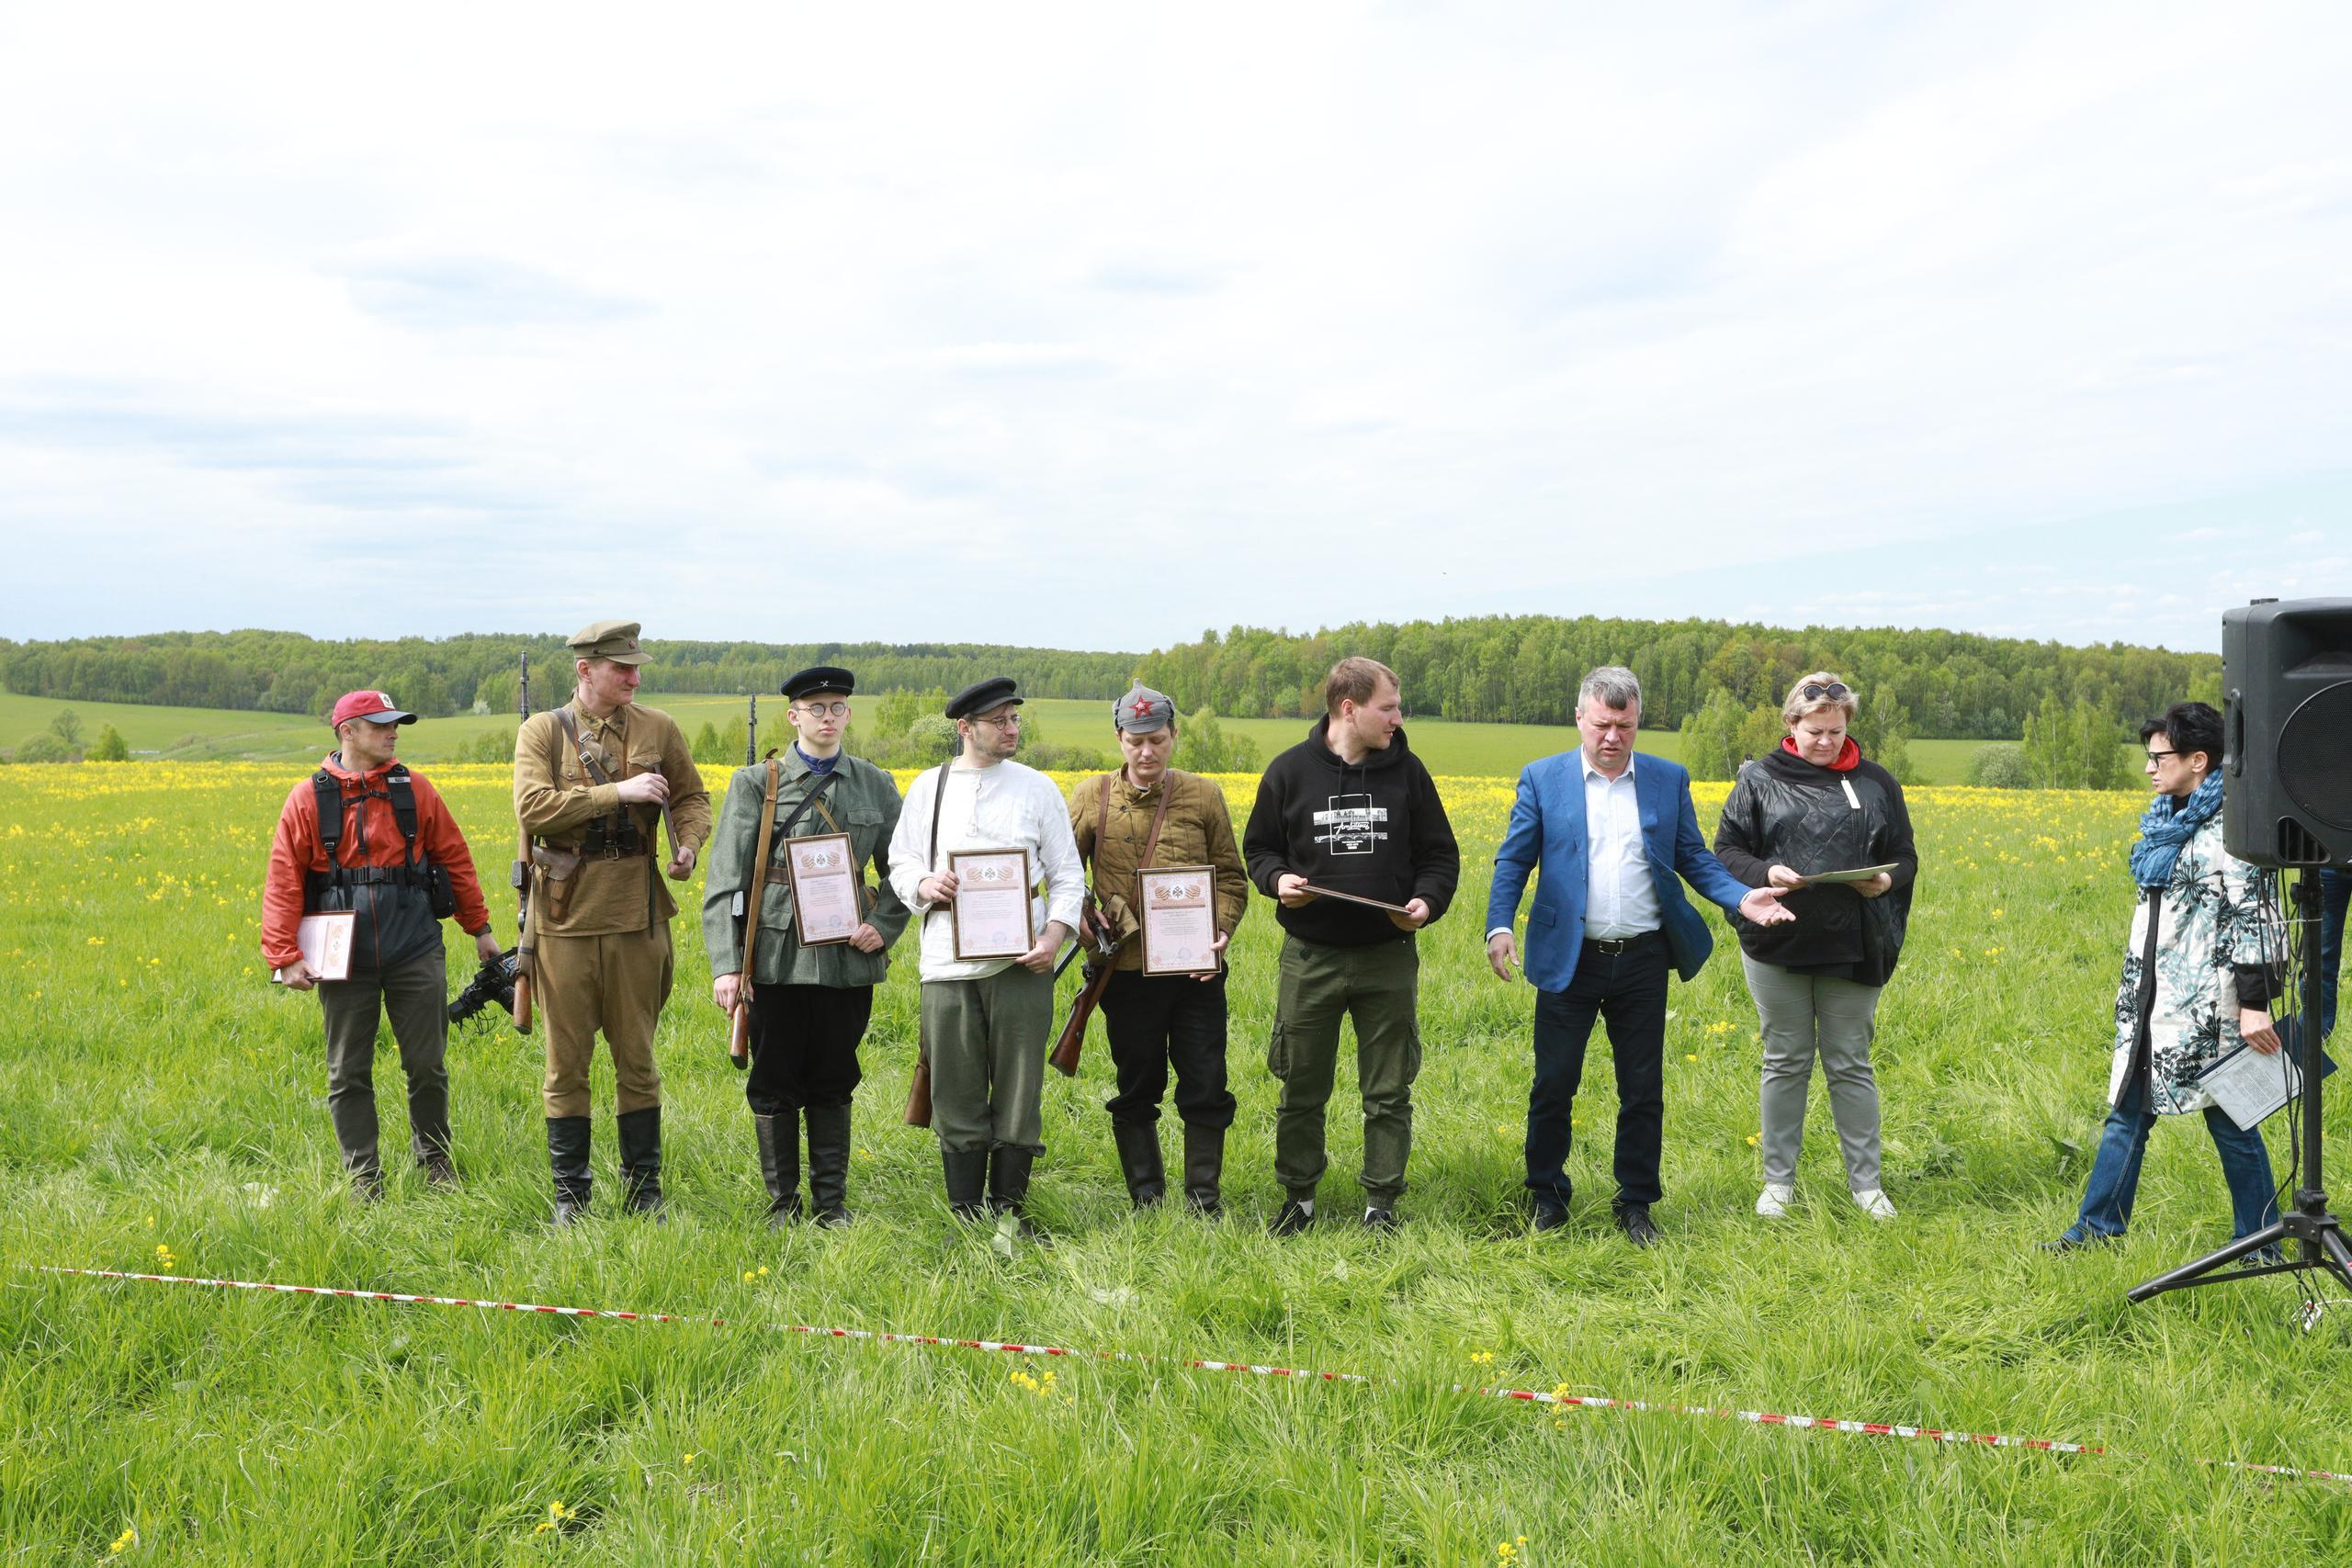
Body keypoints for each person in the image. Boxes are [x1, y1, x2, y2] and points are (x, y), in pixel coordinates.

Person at [1485, 666, 1793, 1247]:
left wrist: (1743, 896)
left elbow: (1695, 858)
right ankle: (1547, 1196)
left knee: (1643, 1087)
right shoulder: (1542, 778)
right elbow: (1513, 860)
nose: (1611, 737)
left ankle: (1636, 1204)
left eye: (1624, 726)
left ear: (1637, 723)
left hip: (1643, 959)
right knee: (1553, 1082)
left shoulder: (1665, 779)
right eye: (1601, 724)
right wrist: (1500, 924)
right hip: (1568, 959)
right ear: (1579, 718)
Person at [2046, 701, 2286, 1254]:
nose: (2150, 768)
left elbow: (2256, 916)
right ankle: (2097, 1231)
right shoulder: (2166, 823)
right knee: (2127, 1114)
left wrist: (2255, 1004)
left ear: (2199, 760)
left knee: (2232, 1123)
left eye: (2160, 757)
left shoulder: (2234, 826)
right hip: (2153, 999)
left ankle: (2262, 1240)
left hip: (2210, 1008)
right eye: (2148, 758)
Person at [1243, 656, 1460, 1234]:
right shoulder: (1288, 772)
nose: (1398, 718)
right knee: (1301, 1087)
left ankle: (1381, 1204)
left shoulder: (1409, 774)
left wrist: (1427, 903)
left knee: (1387, 1091)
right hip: (1309, 958)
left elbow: (1440, 856)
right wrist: (1277, 881)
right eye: (1387, 707)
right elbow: (1260, 849)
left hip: (1387, 959)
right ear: (1349, 709)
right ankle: (1298, 1199)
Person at [262, 690, 500, 1199]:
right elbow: (284, 878)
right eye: (382, 725)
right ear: (348, 731)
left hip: (414, 946)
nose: (394, 733)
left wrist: (479, 930)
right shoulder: (308, 798)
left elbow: (455, 859)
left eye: (396, 725)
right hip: (340, 956)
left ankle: (435, 1163)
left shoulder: (414, 789)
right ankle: (363, 1178)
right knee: (348, 1071)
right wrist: (284, 956)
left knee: (427, 1065)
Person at [514, 620, 711, 1224]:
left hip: (637, 917)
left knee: (638, 1058)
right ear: (585, 669)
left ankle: (643, 1192)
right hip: (563, 920)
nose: (634, 676)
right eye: (621, 667)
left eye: (636, 667)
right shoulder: (543, 732)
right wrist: (616, 793)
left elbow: (691, 798)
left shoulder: (659, 728)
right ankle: (571, 1197)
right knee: (565, 1064)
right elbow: (532, 805)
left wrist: (689, 846)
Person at [702, 667, 910, 1226]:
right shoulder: (756, 783)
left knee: (835, 1076)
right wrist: (727, 967)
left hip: (846, 958)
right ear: (793, 716)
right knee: (774, 1081)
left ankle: (830, 1204)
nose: (826, 717)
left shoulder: (876, 784)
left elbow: (905, 871)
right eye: (814, 708)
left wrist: (884, 927)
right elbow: (726, 879)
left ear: (847, 715)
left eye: (836, 707)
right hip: (774, 959)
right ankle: (781, 1204)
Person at [1713, 673, 1917, 1222]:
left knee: (1850, 1062)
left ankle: (1866, 1185)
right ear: (1790, 724)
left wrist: (1886, 881)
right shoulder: (1756, 780)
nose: (1826, 741)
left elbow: (1905, 854)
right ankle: (1778, 1183)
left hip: (1853, 944)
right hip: (1776, 940)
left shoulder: (1877, 782)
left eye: (1836, 730)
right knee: (1784, 1060)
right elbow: (1725, 849)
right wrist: (1765, 870)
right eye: (1815, 731)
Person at [887, 678, 1086, 1233]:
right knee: (954, 1085)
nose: (1012, 729)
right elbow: (900, 862)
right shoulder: (929, 788)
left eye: (1015, 719)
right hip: (946, 964)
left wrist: (1054, 937)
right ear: (965, 727)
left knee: (1021, 1088)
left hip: (1021, 962)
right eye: (999, 721)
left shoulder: (1038, 788)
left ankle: (1008, 1211)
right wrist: (925, 885)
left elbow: (1068, 875)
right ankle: (966, 1211)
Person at [1067, 682, 1250, 1212]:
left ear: (1172, 736)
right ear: (1119, 738)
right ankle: (1146, 1197)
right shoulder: (1091, 796)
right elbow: (1058, 874)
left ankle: (1202, 1198)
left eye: (1157, 740)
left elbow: (1232, 879)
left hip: (1197, 974)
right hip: (1125, 973)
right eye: (1135, 741)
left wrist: (1221, 932)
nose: (1146, 752)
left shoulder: (1204, 794)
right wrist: (1082, 916)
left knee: (1207, 1082)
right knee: (1137, 1083)